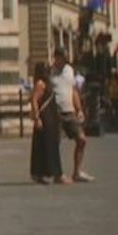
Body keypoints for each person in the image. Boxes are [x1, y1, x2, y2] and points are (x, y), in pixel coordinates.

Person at [48, 46, 90, 183]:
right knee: (55, 143)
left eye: (66, 58)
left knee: (82, 139)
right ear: (56, 57)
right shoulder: (49, 72)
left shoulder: (69, 70)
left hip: (69, 110)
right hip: (55, 112)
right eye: (63, 58)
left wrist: (79, 109)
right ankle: (57, 174)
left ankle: (76, 172)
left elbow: (74, 91)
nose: (65, 60)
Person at [28, 61, 64, 184]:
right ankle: (46, 173)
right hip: (45, 119)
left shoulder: (48, 83)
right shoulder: (40, 84)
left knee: (50, 145)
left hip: (51, 117)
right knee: (44, 146)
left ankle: (49, 172)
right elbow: (34, 100)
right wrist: (37, 118)